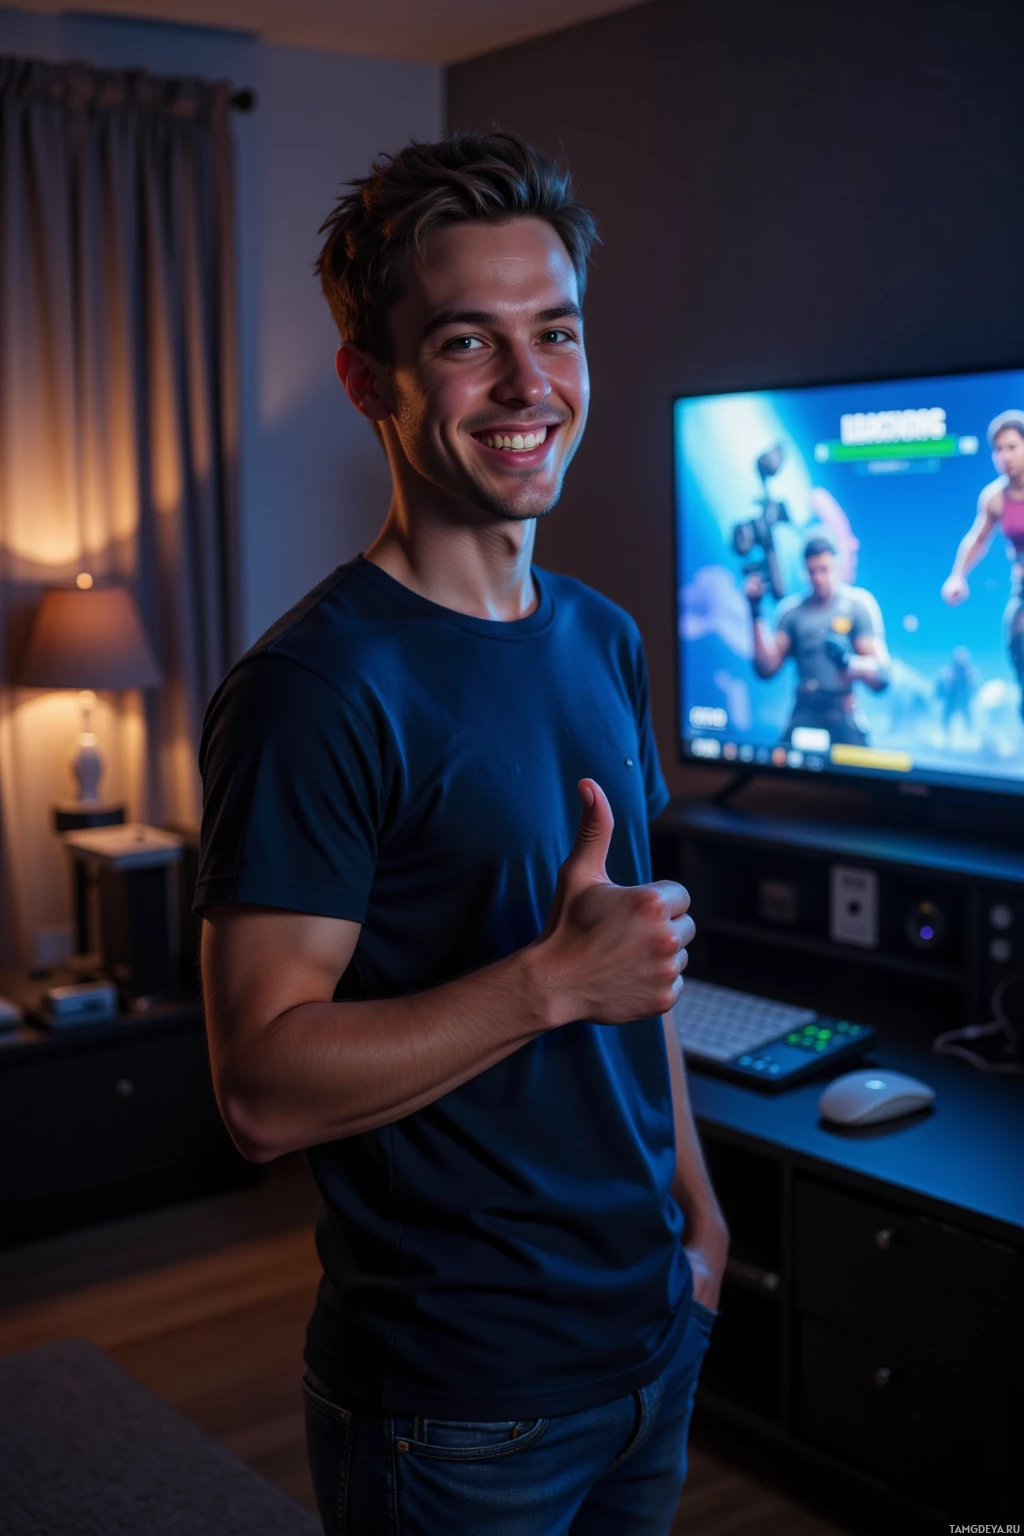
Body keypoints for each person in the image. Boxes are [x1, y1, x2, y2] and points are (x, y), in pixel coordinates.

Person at [194, 132, 729, 1536]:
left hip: (651, 1344)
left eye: (554, 334)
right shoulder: (315, 692)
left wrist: (699, 1215)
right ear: (371, 381)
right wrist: (547, 984)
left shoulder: (604, 639)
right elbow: (259, 1088)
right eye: (465, 344)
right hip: (456, 1405)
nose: (528, 387)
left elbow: (637, 970)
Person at [745, 534, 890, 747]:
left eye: (824, 569)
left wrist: (850, 663)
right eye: (812, 571)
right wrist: (755, 610)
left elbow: (882, 676)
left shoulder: (857, 606)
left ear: (837, 566)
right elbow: (766, 668)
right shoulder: (792, 613)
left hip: (842, 711)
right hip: (805, 711)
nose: (818, 578)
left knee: (861, 774)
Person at [941, 409, 1024, 722]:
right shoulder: (994, 498)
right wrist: (957, 576)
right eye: (998, 449)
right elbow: (977, 539)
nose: (1005, 456)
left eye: (1012, 447)